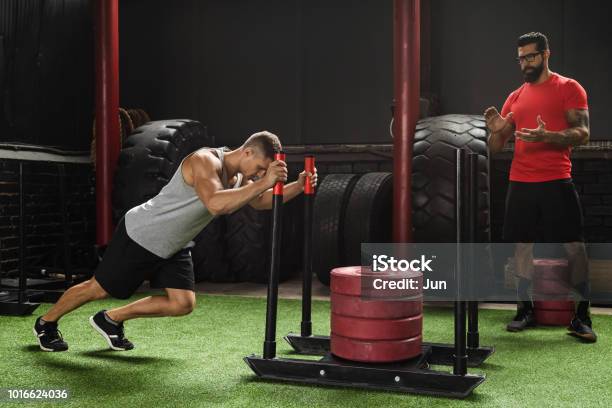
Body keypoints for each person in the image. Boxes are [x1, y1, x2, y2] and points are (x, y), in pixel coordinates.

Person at [33, 131, 318, 351]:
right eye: (259, 166)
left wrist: (298, 186)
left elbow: (259, 202)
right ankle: (46, 323)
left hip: (176, 243)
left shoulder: (240, 175)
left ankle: (110, 319)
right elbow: (216, 204)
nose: (259, 173)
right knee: (98, 288)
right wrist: (263, 181)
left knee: (182, 303)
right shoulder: (204, 161)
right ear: (247, 151)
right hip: (143, 234)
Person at [484, 32, 596, 342]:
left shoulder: (569, 88)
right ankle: (525, 310)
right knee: (522, 246)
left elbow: (583, 132)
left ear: (546, 54)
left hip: (557, 179)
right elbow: (496, 146)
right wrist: (494, 131)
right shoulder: (515, 96)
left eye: (530, 57)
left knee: (575, 246)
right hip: (521, 182)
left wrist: (548, 137)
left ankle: (581, 316)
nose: (525, 63)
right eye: (520, 58)